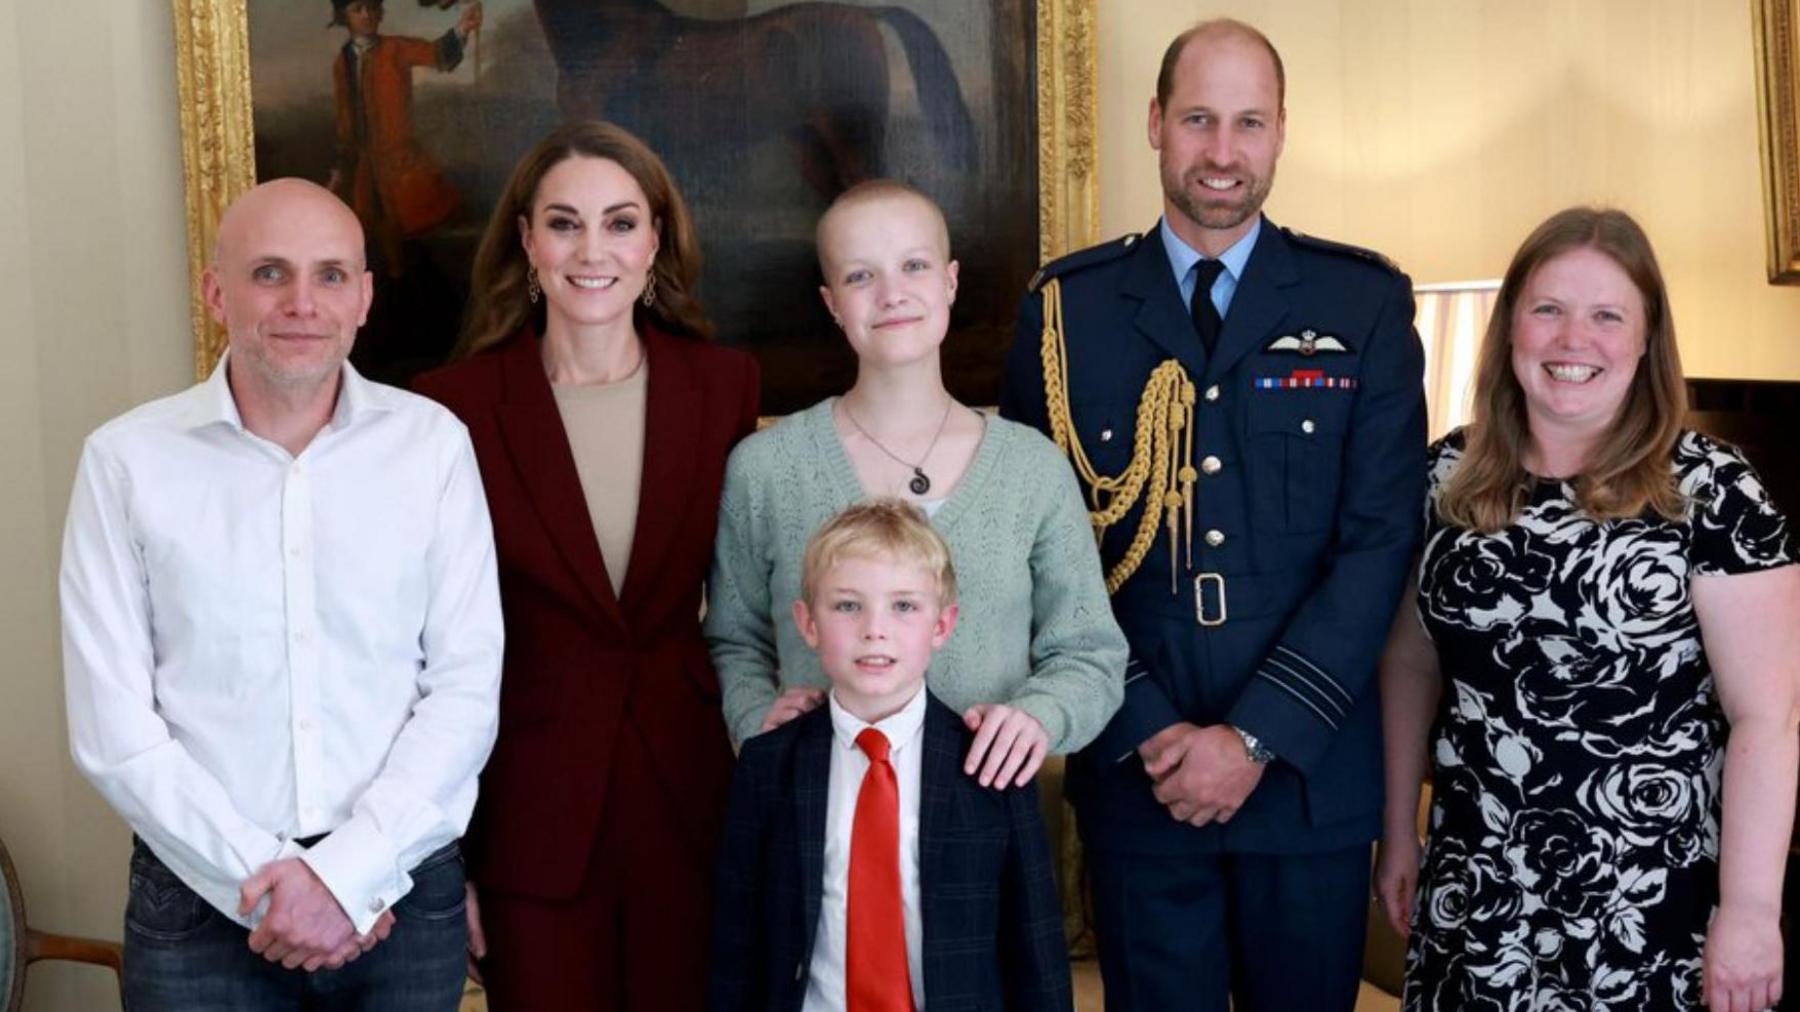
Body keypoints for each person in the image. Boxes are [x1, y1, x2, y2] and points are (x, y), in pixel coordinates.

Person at [1000, 19, 1427, 1011]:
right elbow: (1045, 546)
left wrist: (1254, 739)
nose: (1223, 152)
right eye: (1198, 119)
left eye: (1248, 122)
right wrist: (1153, 730)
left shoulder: (1359, 302)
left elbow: (1379, 547)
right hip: (1139, 778)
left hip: (1306, 781)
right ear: (1156, 124)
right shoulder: (1065, 314)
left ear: (1282, 134)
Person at [60, 178, 503, 1010]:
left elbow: (466, 689)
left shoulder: (434, 448)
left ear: (365, 297)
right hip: (198, 905)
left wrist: (348, 876)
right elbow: (114, 729)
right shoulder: (126, 463)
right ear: (216, 291)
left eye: (331, 275)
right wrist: (276, 888)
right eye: (270, 273)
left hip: (400, 894)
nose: (303, 302)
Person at [1374, 207, 1800, 1011]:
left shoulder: (1712, 490)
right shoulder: (1445, 475)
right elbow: (1410, 659)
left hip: (1650, 902)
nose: (1575, 341)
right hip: (1478, 886)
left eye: (1608, 316)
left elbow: (1768, 718)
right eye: (1548, 310)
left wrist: (1750, 912)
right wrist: (1399, 829)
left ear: (1646, 341)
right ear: (1511, 331)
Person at [412, 120, 760, 1012]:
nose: (592, 249)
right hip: (526, 825)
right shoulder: (451, 409)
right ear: (527, 241)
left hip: (690, 810)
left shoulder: (724, 388)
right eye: (565, 223)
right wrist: (452, 862)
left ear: (655, 243)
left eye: (620, 222)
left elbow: (751, 604)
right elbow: (423, 652)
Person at [706, 179, 1125, 792]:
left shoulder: (1031, 468)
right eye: (860, 277)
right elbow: (732, 637)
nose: (892, 294)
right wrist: (754, 721)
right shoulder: (765, 468)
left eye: (914, 266)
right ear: (831, 303)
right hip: (817, 812)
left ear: (951, 281)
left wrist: (1040, 715)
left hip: (985, 819)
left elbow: (1090, 652)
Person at [709, 499, 1074, 1012]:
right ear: (808, 623)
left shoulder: (993, 767)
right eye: (847, 605)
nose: (874, 629)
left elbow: (1037, 953)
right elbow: (736, 946)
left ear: (942, 626)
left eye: (903, 606)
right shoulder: (769, 765)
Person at [327, 0, 482, 279]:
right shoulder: (342, 61)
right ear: (344, 16)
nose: (367, 15)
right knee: (367, 235)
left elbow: (437, 55)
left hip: (400, 161)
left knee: (422, 226)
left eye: (372, 8)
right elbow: (345, 121)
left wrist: (463, 28)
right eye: (358, 9)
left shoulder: (395, 48)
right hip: (364, 166)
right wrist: (341, 169)